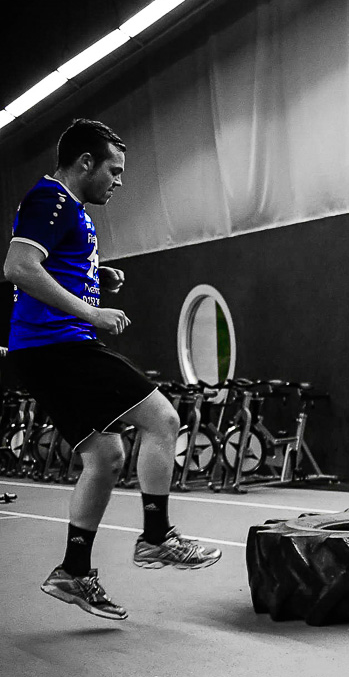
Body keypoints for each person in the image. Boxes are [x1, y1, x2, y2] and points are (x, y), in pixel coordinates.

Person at [3, 119, 220, 621]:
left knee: (105, 452)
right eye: (114, 171)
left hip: (41, 351)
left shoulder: (67, 208)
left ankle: (74, 571)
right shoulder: (52, 199)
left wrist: (96, 275)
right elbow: (17, 267)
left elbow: (48, 263)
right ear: (85, 163)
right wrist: (91, 312)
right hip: (58, 346)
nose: (118, 181)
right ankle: (157, 536)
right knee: (163, 420)